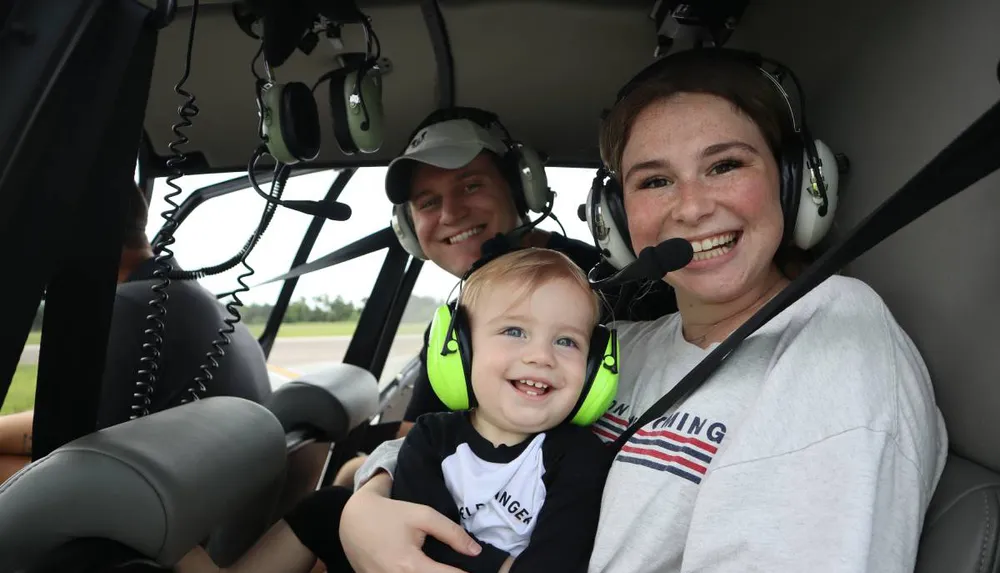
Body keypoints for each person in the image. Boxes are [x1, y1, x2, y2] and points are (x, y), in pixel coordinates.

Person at [335, 48, 948, 573]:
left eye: (725, 165)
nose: (691, 207)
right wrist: (368, 501)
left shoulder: (834, 343)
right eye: (655, 181)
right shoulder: (615, 345)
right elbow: (483, 436)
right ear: (617, 221)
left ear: (796, 183)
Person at [177, 247, 616, 573]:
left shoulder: (578, 456)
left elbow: (556, 563)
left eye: (566, 341)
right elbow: (417, 538)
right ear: (458, 352)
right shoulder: (430, 437)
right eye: (515, 331)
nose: (541, 356)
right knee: (326, 507)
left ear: (595, 369)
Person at [331, 107, 674, 488]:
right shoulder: (457, 323)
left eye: (471, 185)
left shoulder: (610, 288)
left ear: (519, 189)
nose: (450, 213)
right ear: (409, 227)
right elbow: (413, 439)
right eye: (427, 202)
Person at [0, 180, 272, 483]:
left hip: (161, 509)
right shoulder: (190, 300)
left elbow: (65, 444)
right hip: (206, 500)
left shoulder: (129, 307)